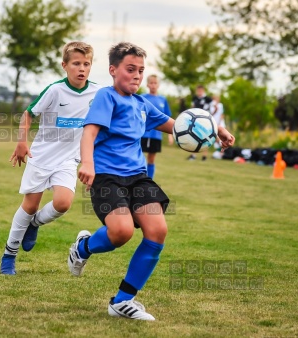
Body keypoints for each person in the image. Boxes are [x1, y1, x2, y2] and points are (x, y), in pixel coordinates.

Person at [71, 42, 235, 320]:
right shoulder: (106, 98)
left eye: (141, 71)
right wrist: (87, 163)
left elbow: (180, 125)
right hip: (107, 178)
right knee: (121, 233)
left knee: (157, 230)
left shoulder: (142, 104)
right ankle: (83, 248)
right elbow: (89, 133)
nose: (137, 75)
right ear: (113, 70)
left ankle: (122, 300)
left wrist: (215, 129)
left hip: (138, 178)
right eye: (130, 69)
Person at [0, 41, 100, 275]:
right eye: (76, 63)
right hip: (41, 157)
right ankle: (9, 256)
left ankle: (35, 224)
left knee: (63, 203)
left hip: (68, 160)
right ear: (64, 65)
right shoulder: (55, 90)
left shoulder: (97, 92)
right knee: (30, 205)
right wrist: (22, 142)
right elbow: (28, 114)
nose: (81, 68)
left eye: (86, 64)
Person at [140, 75, 172, 179]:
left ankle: (150, 180)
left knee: (151, 158)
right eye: (151, 83)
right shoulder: (143, 97)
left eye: (155, 83)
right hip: (143, 133)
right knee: (139, 157)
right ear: (147, 84)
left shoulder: (163, 100)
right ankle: (138, 178)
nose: (153, 85)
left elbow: (168, 118)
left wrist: (171, 135)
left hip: (156, 135)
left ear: (158, 85)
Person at [188, 84, 213, 161]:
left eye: (200, 90)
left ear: (203, 90)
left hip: (205, 120)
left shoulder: (208, 99)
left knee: (205, 137)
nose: (199, 92)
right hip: (196, 120)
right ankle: (193, 155)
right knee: (194, 136)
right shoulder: (195, 98)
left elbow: (213, 108)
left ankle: (204, 156)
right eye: (198, 90)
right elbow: (192, 107)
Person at [210, 94, 226, 158]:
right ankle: (219, 151)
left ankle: (222, 151)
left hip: (220, 124)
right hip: (214, 123)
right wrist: (215, 108)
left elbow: (222, 114)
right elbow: (212, 114)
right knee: (215, 138)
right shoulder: (211, 105)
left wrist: (220, 122)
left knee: (221, 137)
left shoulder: (220, 105)